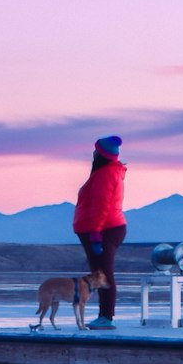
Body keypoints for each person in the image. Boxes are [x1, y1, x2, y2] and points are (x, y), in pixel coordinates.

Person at [72, 135, 126, 330]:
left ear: (101, 155)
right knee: (99, 273)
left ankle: (106, 316)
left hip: (105, 230)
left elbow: (100, 206)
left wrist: (95, 233)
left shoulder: (105, 174)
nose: (93, 154)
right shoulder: (106, 172)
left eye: (96, 151)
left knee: (103, 274)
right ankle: (104, 315)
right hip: (103, 229)